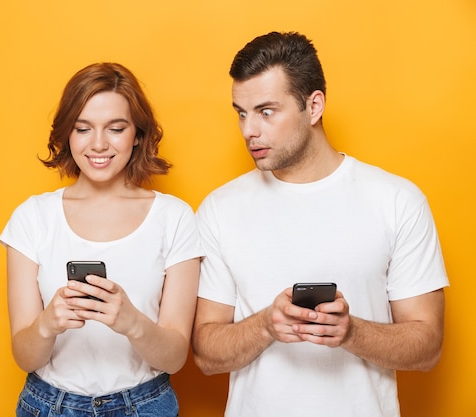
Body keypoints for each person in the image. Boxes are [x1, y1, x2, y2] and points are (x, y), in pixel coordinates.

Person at [191, 31, 448, 417]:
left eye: (266, 111)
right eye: (241, 113)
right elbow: (206, 353)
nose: (248, 131)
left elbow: (428, 346)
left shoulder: (397, 200)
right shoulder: (219, 209)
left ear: (313, 106)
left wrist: (350, 332)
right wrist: (265, 325)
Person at [0, 62, 203, 417]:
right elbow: (24, 357)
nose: (98, 144)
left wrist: (130, 321)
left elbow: (174, 358)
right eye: (83, 128)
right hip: (49, 405)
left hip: (144, 405)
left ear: (137, 134)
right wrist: (48, 323)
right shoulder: (32, 218)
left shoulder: (175, 217)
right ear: (67, 133)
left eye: (116, 128)